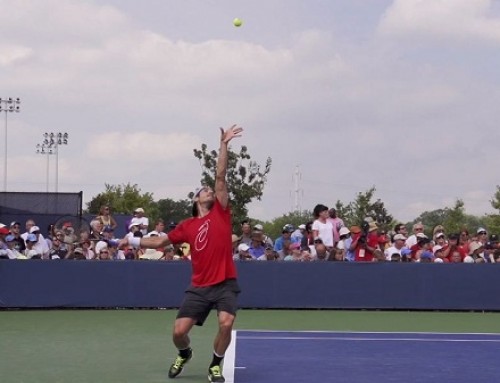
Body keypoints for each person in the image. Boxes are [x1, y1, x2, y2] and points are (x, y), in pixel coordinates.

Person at [119, 124, 243, 383]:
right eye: (204, 190)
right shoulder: (187, 226)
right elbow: (160, 242)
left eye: (210, 190)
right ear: (197, 199)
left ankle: (215, 366)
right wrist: (132, 240)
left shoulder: (222, 211)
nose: (210, 190)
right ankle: (184, 353)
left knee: (226, 323)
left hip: (225, 284)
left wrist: (223, 144)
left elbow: (220, 177)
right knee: (178, 332)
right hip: (199, 287)